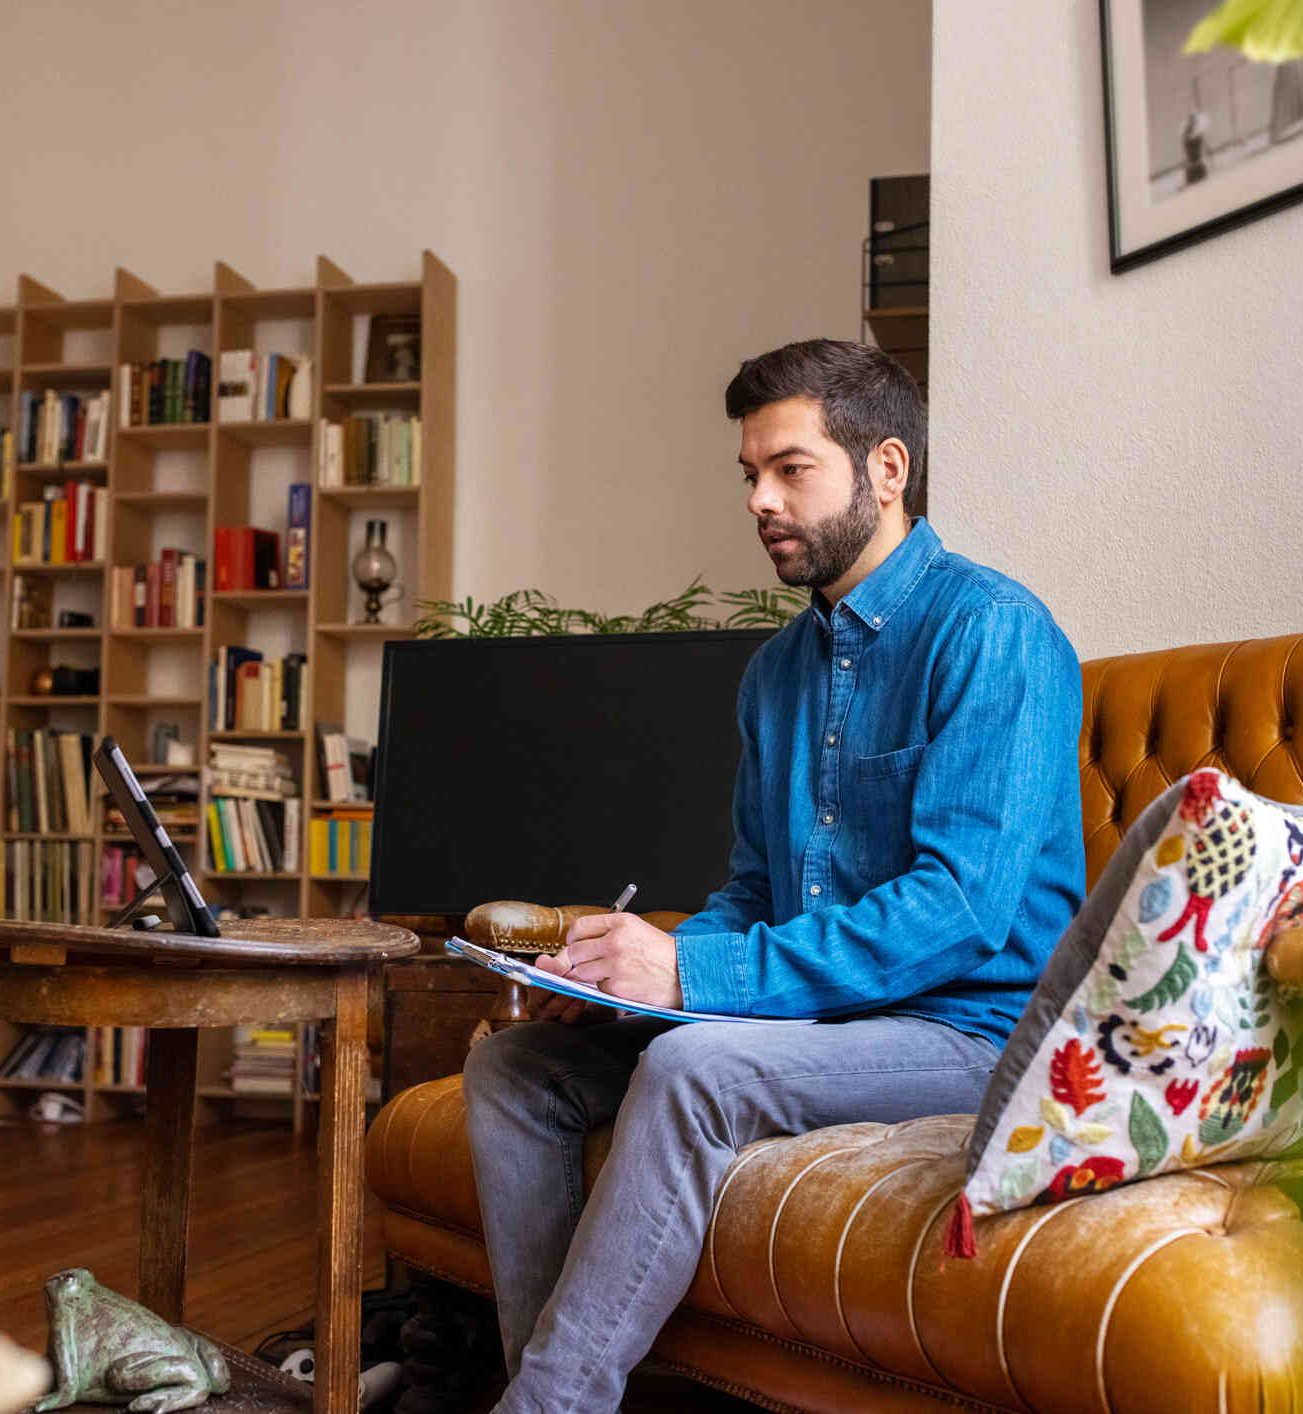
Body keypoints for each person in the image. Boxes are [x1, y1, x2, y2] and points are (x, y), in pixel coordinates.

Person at [461, 338, 1085, 1414]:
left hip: (972, 1031)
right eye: (750, 474)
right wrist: (623, 974)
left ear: (885, 469)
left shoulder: (994, 634)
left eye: (789, 469)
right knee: (513, 1071)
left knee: (694, 1069)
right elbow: (754, 891)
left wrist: (694, 984)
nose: (758, 498)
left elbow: (960, 913)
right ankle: (557, 1383)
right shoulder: (774, 674)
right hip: (824, 1024)